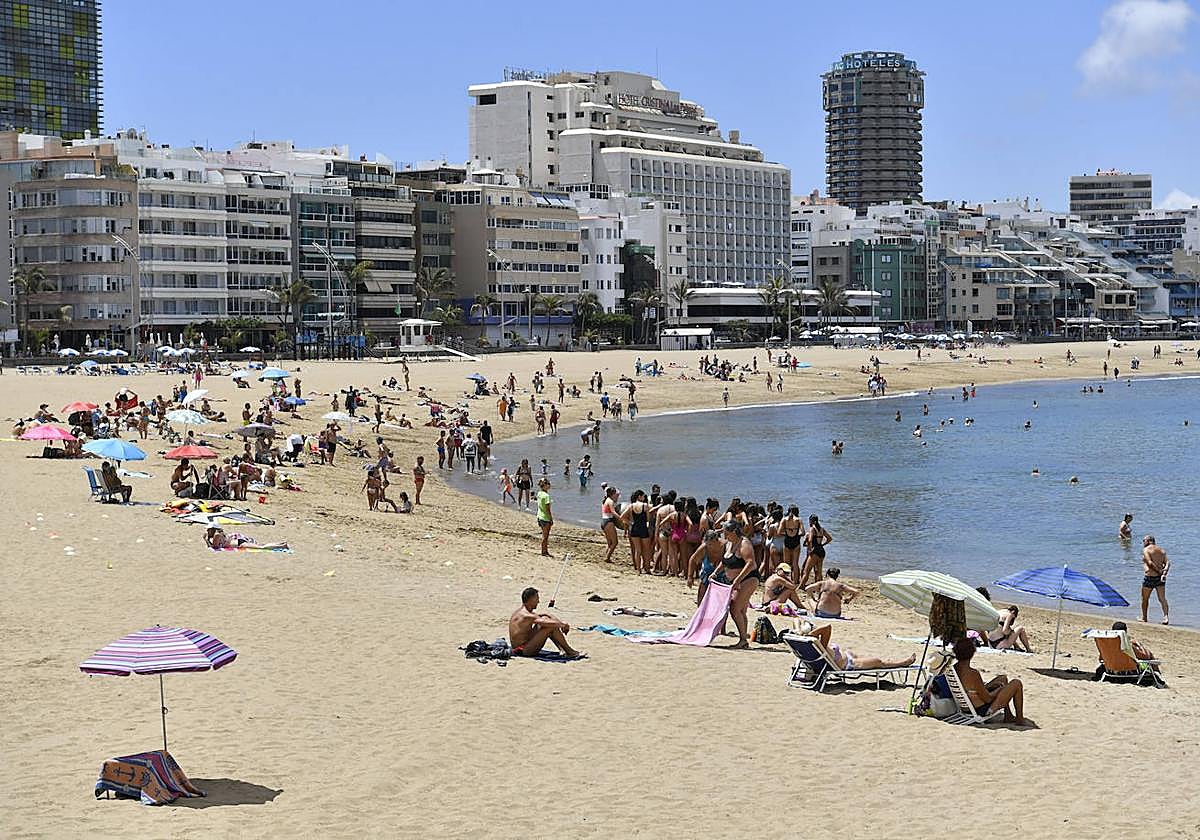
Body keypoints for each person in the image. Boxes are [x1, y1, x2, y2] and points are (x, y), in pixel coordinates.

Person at [953, 637, 1025, 725]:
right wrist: (998, 690)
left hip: (967, 706)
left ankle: (1008, 716)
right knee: (1016, 683)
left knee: (1002, 678)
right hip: (981, 709)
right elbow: (987, 699)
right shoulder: (973, 674)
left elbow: (972, 689)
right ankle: (1020, 719)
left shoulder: (954, 668)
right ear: (972, 653)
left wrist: (991, 686)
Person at [508, 587, 583, 658]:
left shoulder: (523, 612)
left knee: (547, 620)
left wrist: (554, 619)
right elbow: (544, 622)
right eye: (536, 599)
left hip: (524, 645)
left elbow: (545, 617)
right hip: (522, 650)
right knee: (549, 627)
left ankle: (562, 650)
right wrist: (563, 625)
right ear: (530, 599)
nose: (538, 602)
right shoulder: (526, 615)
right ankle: (570, 652)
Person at [809, 624, 916, 672]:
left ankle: (892, 661)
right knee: (879, 662)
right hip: (849, 664)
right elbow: (827, 627)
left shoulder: (812, 646)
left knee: (876, 660)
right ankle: (903, 663)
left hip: (848, 657)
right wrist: (812, 633)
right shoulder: (820, 644)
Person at [1141, 535, 1170, 624]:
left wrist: (1159, 572)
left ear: (1148, 541)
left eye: (1144, 541)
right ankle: (1166, 617)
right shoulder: (1161, 550)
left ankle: (1144, 618)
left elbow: (1150, 563)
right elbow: (1168, 563)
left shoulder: (1146, 550)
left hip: (1150, 576)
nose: (1143, 543)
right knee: (1162, 599)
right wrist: (1164, 573)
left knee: (1145, 599)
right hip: (1160, 578)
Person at [799, 514, 832, 588]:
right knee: (819, 572)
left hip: (815, 551)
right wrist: (823, 544)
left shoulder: (812, 529)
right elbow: (829, 538)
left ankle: (801, 586)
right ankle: (820, 587)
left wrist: (810, 549)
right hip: (821, 551)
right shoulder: (822, 529)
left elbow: (810, 540)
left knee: (806, 571)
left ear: (811, 521)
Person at [599, 485, 621, 563]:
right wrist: (622, 519)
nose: (617, 496)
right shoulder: (610, 501)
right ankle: (607, 557)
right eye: (615, 494)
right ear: (612, 494)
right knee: (615, 542)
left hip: (604, 521)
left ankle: (606, 556)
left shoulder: (606, 500)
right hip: (608, 522)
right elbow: (613, 512)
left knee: (609, 543)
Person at [535, 478, 553, 557]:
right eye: (548, 484)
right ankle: (544, 551)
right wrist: (551, 519)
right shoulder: (546, 496)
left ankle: (545, 551)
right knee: (545, 537)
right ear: (545, 485)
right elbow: (547, 509)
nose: (549, 485)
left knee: (544, 535)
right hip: (545, 518)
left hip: (539, 516)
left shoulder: (539, 493)